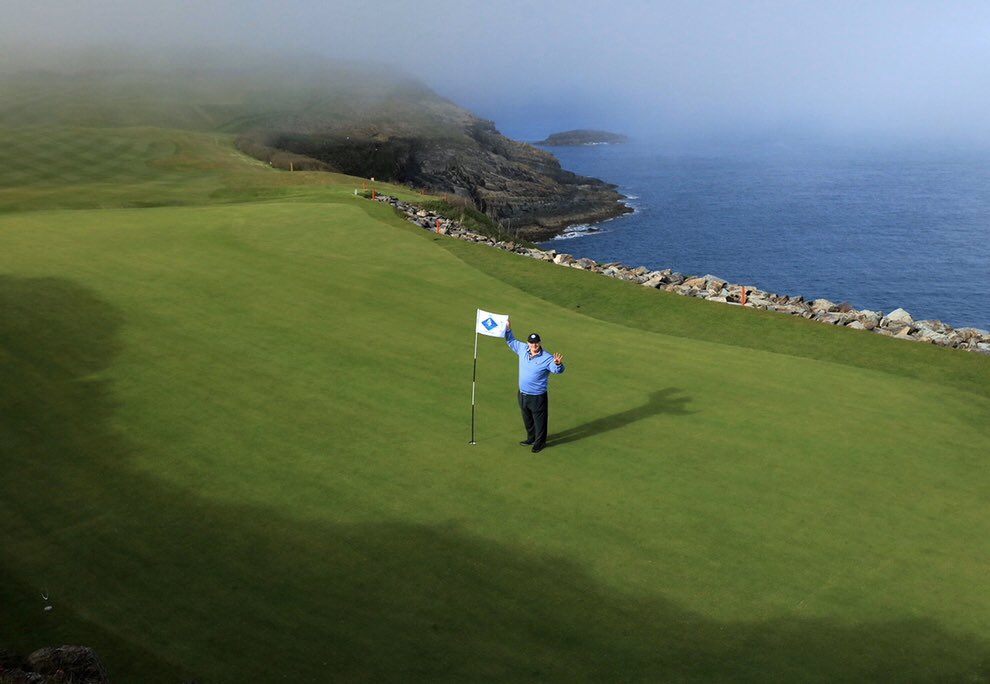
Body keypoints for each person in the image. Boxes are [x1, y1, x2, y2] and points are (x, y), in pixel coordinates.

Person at [504, 319, 565, 453]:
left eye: (536, 342)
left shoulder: (547, 358)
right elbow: (511, 341)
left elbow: (557, 370)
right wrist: (508, 330)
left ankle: (540, 442)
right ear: (528, 343)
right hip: (523, 394)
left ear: (540, 343)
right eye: (531, 342)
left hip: (537, 396)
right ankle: (531, 438)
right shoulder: (523, 349)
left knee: (539, 420)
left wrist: (558, 364)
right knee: (527, 418)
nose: (534, 345)